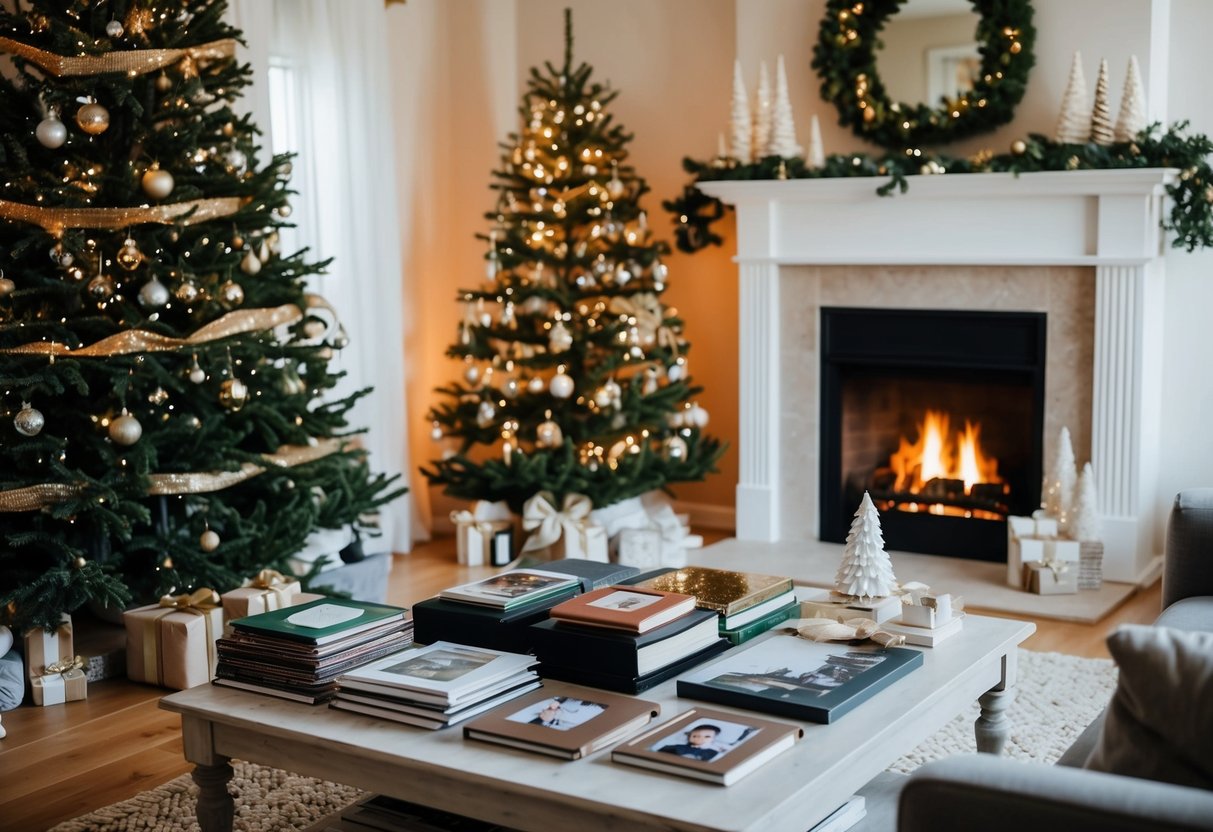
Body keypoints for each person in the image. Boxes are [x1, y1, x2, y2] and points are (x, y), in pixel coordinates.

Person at [658, 724, 722, 761]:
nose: (700, 738)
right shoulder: (674, 747)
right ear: (689, 736)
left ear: (713, 739)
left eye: (707, 736)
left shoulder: (713, 752)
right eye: (695, 736)